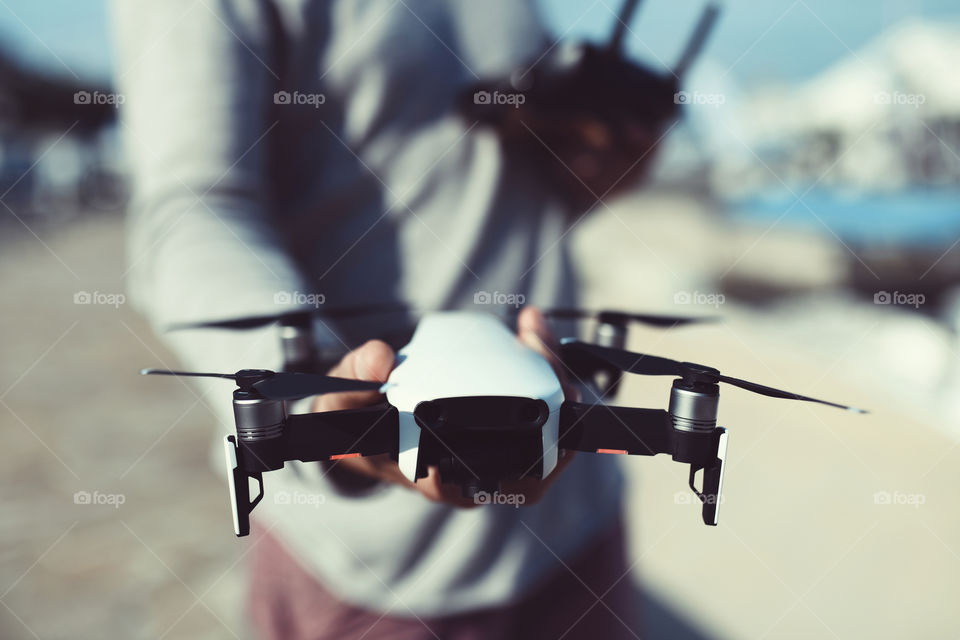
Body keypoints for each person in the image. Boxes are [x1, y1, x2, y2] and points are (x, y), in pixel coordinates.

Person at [114, 1, 633, 637]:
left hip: (581, 526)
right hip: (383, 569)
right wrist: (307, 393)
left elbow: (490, 190)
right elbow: (193, 207)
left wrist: (603, 162)